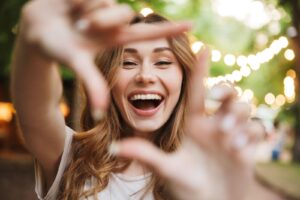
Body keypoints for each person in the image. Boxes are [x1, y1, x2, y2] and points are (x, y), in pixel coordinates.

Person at [11, 0, 283, 199]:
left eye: (163, 62)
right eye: (128, 63)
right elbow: (36, 107)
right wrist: (33, 50)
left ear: (184, 79)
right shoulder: (70, 156)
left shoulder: (204, 172)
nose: (145, 75)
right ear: (107, 80)